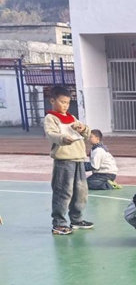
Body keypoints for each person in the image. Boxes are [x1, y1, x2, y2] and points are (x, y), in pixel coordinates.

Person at [43, 85, 94, 235]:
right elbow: (51, 134)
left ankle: (76, 219)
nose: (65, 105)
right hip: (64, 160)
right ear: (52, 100)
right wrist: (62, 138)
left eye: (67, 102)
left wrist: (83, 129)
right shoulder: (51, 118)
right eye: (62, 102)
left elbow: (87, 135)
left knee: (81, 192)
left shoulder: (72, 118)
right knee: (63, 192)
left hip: (79, 159)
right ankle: (58, 224)